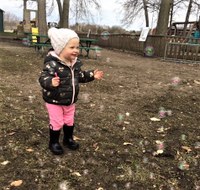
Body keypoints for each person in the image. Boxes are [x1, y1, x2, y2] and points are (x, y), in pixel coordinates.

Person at [39, 28, 103, 155]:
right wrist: (50, 82)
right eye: (72, 47)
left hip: (70, 100)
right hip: (54, 100)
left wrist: (91, 75)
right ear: (60, 48)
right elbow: (43, 78)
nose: (76, 50)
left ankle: (68, 139)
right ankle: (54, 142)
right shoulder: (52, 64)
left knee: (69, 120)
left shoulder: (75, 64)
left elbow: (80, 76)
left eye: (77, 47)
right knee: (57, 121)